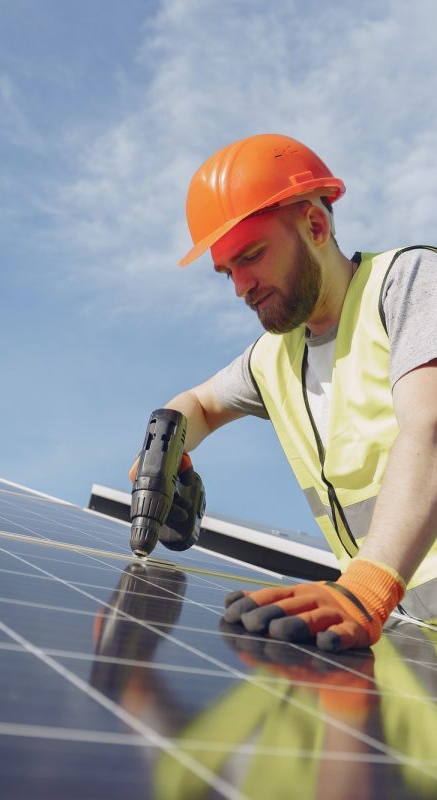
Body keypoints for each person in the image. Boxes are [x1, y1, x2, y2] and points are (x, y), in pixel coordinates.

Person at [133, 133, 437, 652]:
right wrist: (165, 456)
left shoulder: (407, 281)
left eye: (251, 256)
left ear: (316, 225)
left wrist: (367, 587)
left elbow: (430, 426)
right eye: (227, 271)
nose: (240, 287)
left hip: (377, 603)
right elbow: (198, 405)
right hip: (410, 633)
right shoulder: (273, 358)